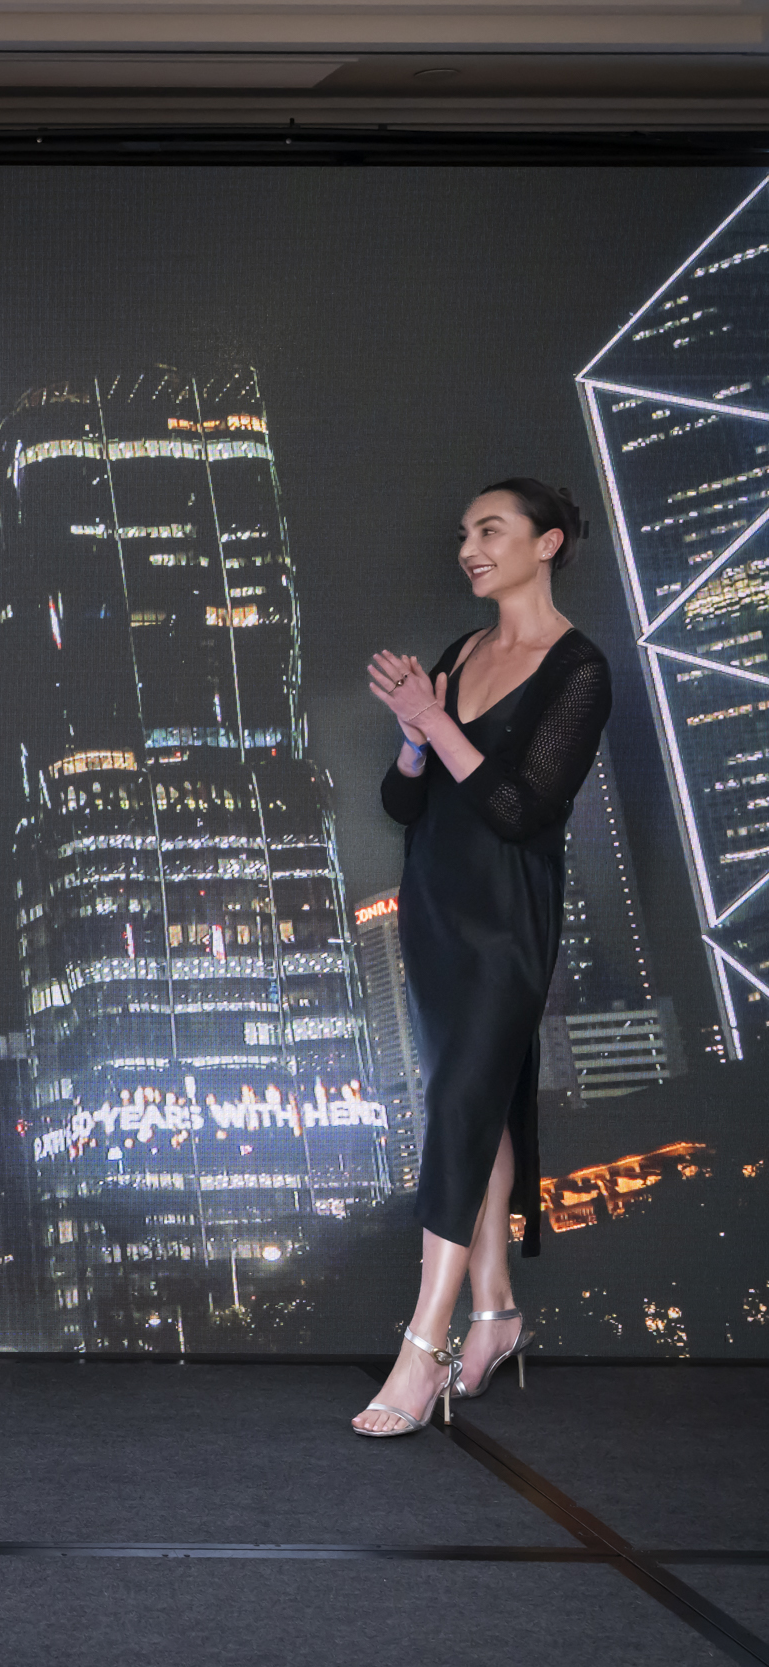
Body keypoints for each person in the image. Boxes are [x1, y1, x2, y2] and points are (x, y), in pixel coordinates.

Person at [353, 478, 610, 1437]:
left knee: (459, 1103)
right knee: (485, 1105)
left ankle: (422, 1346)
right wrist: (414, 737)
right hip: (432, 911)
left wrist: (440, 721)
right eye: (464, 532)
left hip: (507, 920)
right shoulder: (460, 655)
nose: (469, 546)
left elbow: (521, 809)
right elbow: (403, 804)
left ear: (545, 544)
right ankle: (495, 1311)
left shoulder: (580, 669)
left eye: (489, 530)